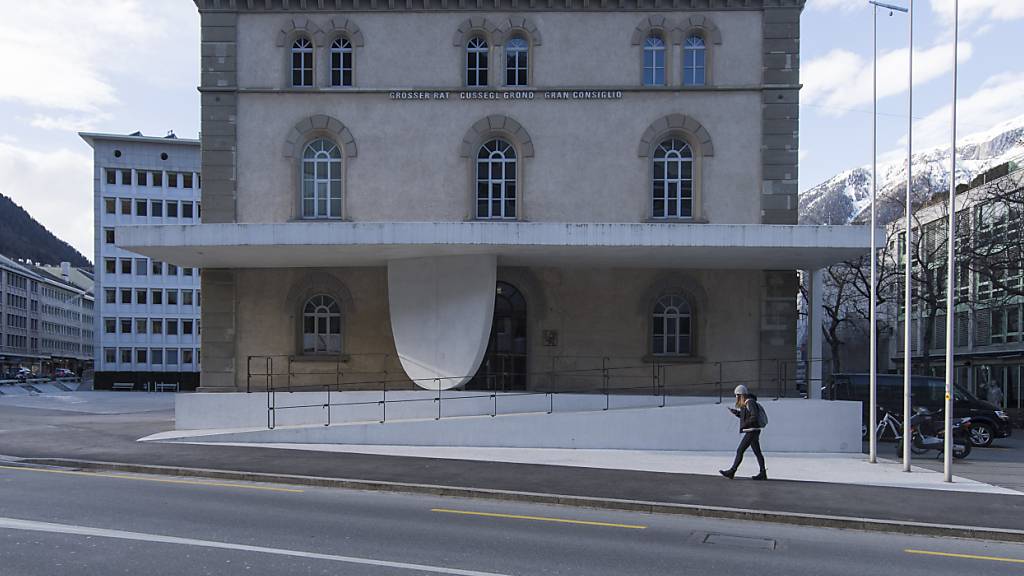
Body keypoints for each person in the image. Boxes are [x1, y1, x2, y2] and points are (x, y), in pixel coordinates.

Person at [720, 384, 767, 481]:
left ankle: (732, 471)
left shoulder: (750, 402)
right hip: (753, 430)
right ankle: (763, 473)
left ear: (741, 394)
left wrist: (745, 424)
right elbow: (746, 415)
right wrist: (736, 412)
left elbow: (754, 416)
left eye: (737, 395)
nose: (736, 397)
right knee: (757, 452)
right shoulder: (747, 403)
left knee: (740, 450)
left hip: (751, 431)